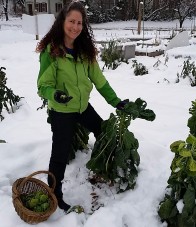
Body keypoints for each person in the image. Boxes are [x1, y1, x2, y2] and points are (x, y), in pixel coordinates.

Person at [36, 1, 127, 212]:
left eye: (79, 23)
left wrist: (116, 101)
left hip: (82, 106)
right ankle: (55, 194)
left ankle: (103, 167)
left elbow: (100, 80)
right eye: (71, 21)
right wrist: (55, 95)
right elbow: (43, 85)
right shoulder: (52, 51)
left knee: (103, 130)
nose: (75, 27)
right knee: (60, 153)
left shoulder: (85, 51)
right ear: (62, 22)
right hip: (61, 110)